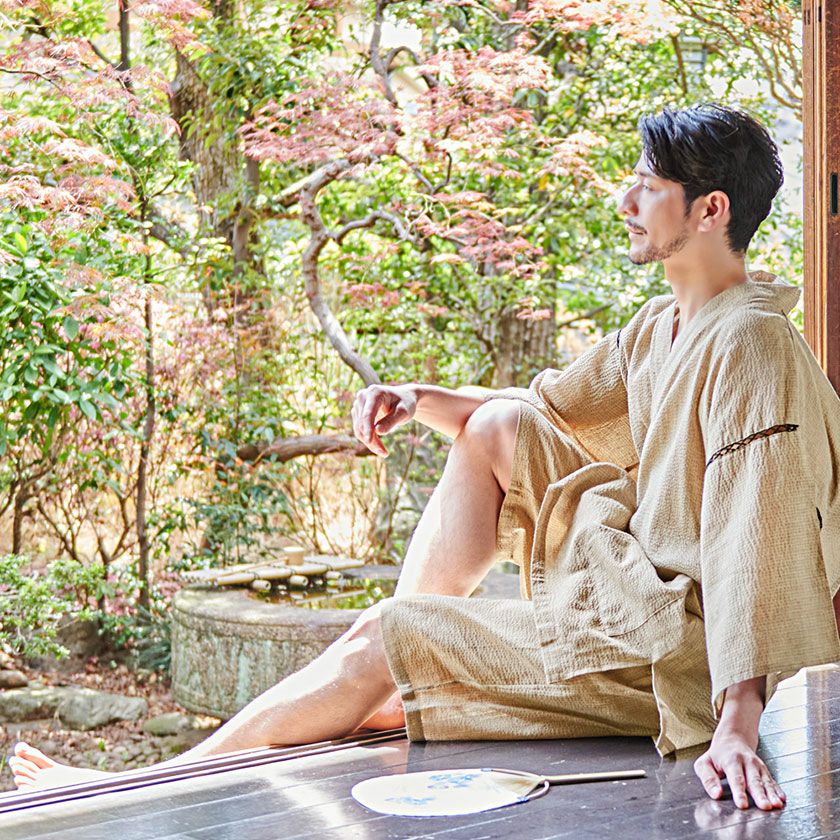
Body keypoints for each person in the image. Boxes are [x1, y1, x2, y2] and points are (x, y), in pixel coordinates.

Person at [10, 104, 840, 813]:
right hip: (631, 589)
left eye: (648, 185)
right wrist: (416, 399)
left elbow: (756, 532)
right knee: (497, 425)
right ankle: (401, 660)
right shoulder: (662, 327)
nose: (625, 199)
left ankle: (144, 786)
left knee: (385, 635)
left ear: (710, 209)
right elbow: (543, 407)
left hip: (664, 656)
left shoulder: (751, 344)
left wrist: (737, 721)